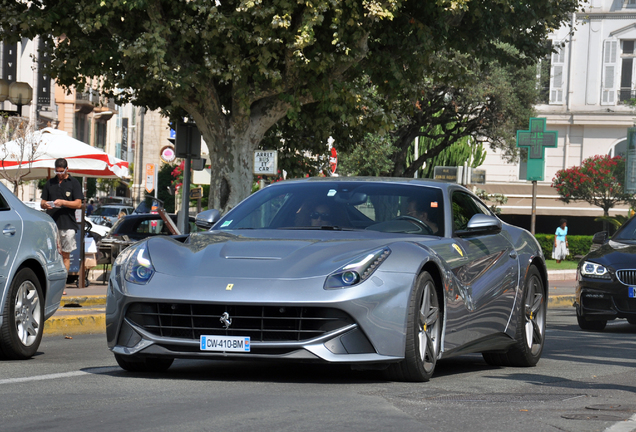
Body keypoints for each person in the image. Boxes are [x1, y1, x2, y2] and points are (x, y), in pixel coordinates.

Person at [41, 158, 84, 272]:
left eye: (61, 171)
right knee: (52, 255)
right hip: (52, 223)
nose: (59, 174)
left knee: (65, 255)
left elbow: (78, 203)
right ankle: (53, 284)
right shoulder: (50, 182)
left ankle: (62, 286)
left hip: (68, 224)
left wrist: (63, 202)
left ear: (67, 169)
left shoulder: (74, 182)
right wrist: (46, 205)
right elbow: (42, 202)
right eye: (57, 171)